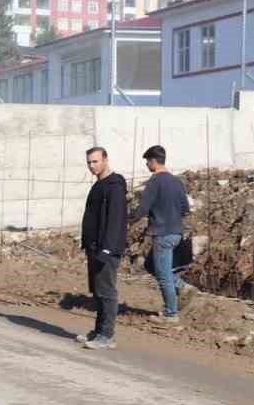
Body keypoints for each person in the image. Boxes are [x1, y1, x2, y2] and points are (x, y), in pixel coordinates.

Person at [131, 145, 192, 325]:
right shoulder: (176, 181)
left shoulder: (155, 181)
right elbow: (185, 208)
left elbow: (142, 209)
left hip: (162, 233)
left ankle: (171, 314)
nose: (147, 166)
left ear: (153, 161)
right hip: (176, 233)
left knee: (163, 274)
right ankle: (183, 287)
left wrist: (126, 221)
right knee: (152, 266)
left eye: (147, 162)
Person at [78, 146, 128, 350]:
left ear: (105, 160)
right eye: (89, 162)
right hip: (94, 247)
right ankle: (98, 331)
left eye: (95, 161)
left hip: (106, 249)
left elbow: (116, 220)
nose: (92, 166)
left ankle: (107, 335)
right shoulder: (99, 185)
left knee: (107, 291)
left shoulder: (114, 186)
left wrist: (107, 249)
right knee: (98, 291)